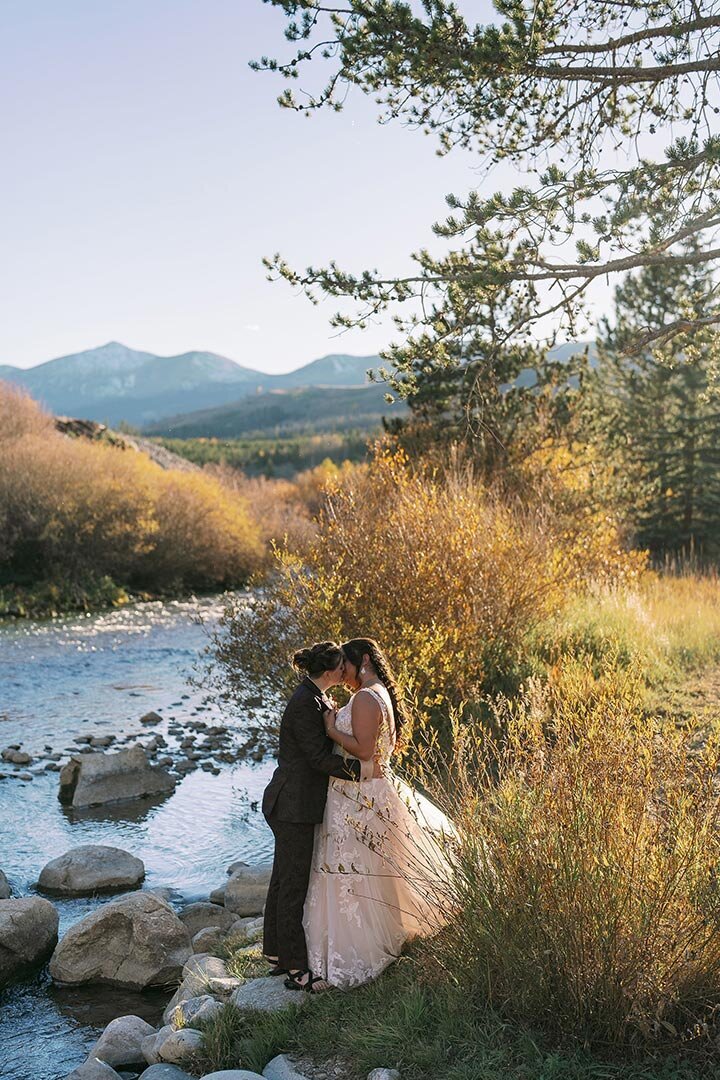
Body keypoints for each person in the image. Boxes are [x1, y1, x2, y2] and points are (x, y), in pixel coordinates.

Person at [299, 637, 454, 992]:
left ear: (363, 660)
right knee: (371, 869)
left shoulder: (368, 697)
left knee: (355, 871)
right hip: (365, 791)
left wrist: (331, 729)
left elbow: (365, 750)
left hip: (358, 795)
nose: (343, 674)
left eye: (347, 667)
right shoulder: (376, 693)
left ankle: (356, 950)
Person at [261, 640, 380, 991]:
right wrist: (363, 770)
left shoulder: (315, 697)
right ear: (330, 671)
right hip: (292, 805)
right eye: (342, 664)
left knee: (284, 879)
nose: (346, 670)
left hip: (294, 802)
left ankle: (276, 952)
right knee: (292, 884)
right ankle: (297, 970)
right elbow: (317, 759)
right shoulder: (304, 704)